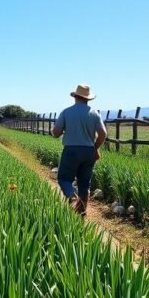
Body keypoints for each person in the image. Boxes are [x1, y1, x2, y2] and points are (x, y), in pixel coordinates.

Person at [51, 83, 107, 214]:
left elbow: (56, 133)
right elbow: (103, 134)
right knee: (84, 184)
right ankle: (81, 212)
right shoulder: (94, 113)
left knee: (64, 179)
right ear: (88, 98)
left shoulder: (66, 112)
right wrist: (95, 148)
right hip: (89, 152)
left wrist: (55, 130)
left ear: (75, 96)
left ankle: (72, 196)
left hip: (71, 150)